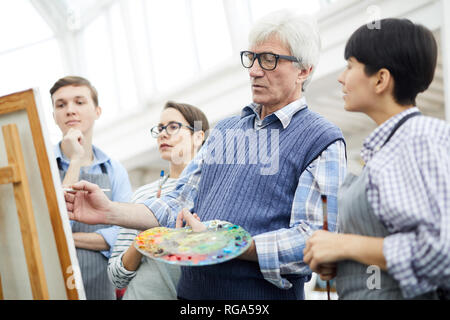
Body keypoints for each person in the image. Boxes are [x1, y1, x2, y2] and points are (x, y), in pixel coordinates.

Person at [64, 9, 347, 300]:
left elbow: (314, 240)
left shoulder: (322, 140)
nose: (254, 70)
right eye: (251, 58)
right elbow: (176, 203)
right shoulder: (225, 131)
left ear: (305, 70)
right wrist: (110, 211)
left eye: (269, 59)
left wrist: (228, 245)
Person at [303, 18, 450, 300]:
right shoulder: (389, 147)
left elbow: (442, 249)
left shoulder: (420, 138)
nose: (341, 77)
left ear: (381, 79)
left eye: (350, 66)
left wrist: (346, 245)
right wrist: (345, 263)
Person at [107, 101, 209, 299]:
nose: (163, 134)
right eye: (160, 128)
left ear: (198, 136)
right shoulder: (142, 196)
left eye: (173, 127)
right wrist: (146, 238)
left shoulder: (216, 188)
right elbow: (116, 277)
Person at [51, 76, 132, 299]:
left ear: (97, 111)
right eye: (61, 104)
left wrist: (65, 237)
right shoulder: (41, 163)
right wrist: (75, 160)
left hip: (100, 286)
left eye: (79, 102)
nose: (70, 110)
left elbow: (123, 235)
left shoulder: (114, 170)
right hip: (50, 281)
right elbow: (52, 222)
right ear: (54, 116)